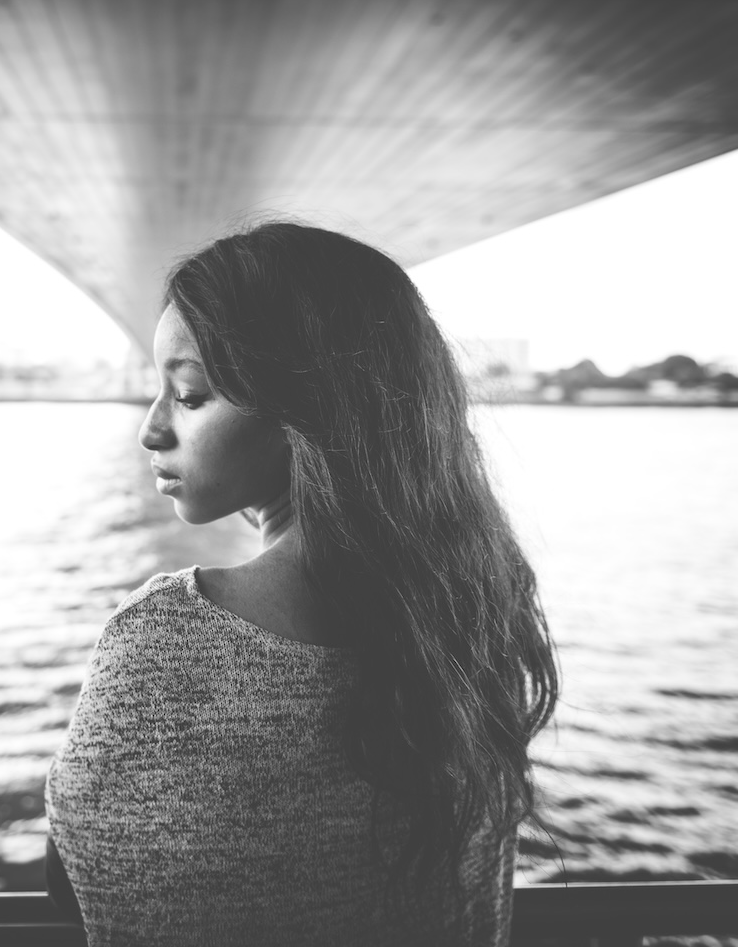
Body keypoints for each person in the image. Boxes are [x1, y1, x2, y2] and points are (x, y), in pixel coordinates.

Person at [44, 220, 559, 946]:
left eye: (189, 397)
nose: (151, 429)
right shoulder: (474, 619)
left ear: (304, 411)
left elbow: (77, 886)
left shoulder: (171, 642)